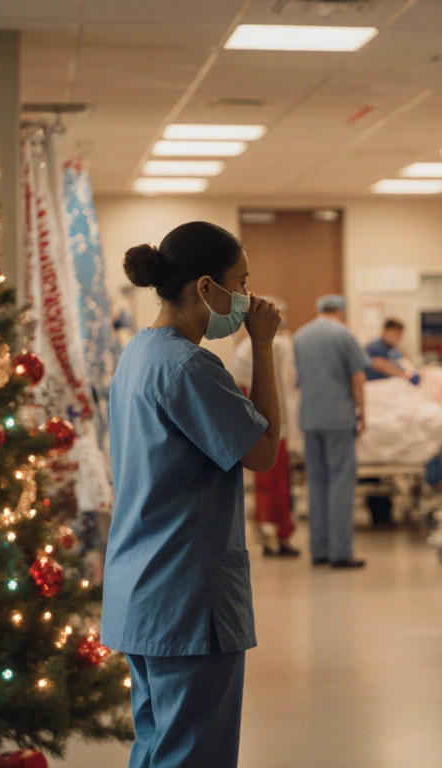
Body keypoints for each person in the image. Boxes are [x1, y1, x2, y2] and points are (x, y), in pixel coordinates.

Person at [103, 221, 284, 768]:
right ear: (207, 288)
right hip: (187, 601)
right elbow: (264, 451)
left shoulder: (139, 355)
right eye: (241, 282)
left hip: (143, 592)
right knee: (193, 756)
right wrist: (264, 346)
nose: (248, 297)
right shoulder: (189, 366)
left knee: (158, 747)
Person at [292, 295, 370, 569]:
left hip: (310, 417)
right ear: (340, 311)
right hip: (338, 418)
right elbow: (357, 379)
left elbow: (298, 378)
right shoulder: (344, 335)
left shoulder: (300, 336)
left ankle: (319, 549)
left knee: (317, 481)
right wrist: (362, 414)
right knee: (341, 482)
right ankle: (340, 551)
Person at [232, 310, 301, 558]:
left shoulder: (243, 349)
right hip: (275, 427)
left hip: (254, 426)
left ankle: (268, 531)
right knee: (277, 487)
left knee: (264, 486)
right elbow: (286, 387)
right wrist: (292, 432)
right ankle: (278, 535)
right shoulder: (281, 346)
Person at [364, 318, 418, 383]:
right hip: (375, 384)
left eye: (400, 335)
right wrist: (404, 375)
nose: (398, 338)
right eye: (396, 335)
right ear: (385, 331)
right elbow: (379, 364)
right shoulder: (373, 347)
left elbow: (402, 364)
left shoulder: (395, 350)